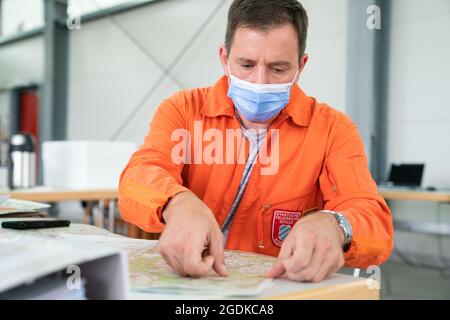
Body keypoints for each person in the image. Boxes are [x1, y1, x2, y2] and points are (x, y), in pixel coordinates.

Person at [118, 0, 394, 282]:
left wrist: (338, 226)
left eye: (278, 69)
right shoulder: (183, 110)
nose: (260, 81)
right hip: (189, 282)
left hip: (274, 289)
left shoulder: (333, 130)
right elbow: (137, 178)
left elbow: (375, 223)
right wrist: (177, 203)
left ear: (301, 65)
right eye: (246, 65)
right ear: (224, 58)